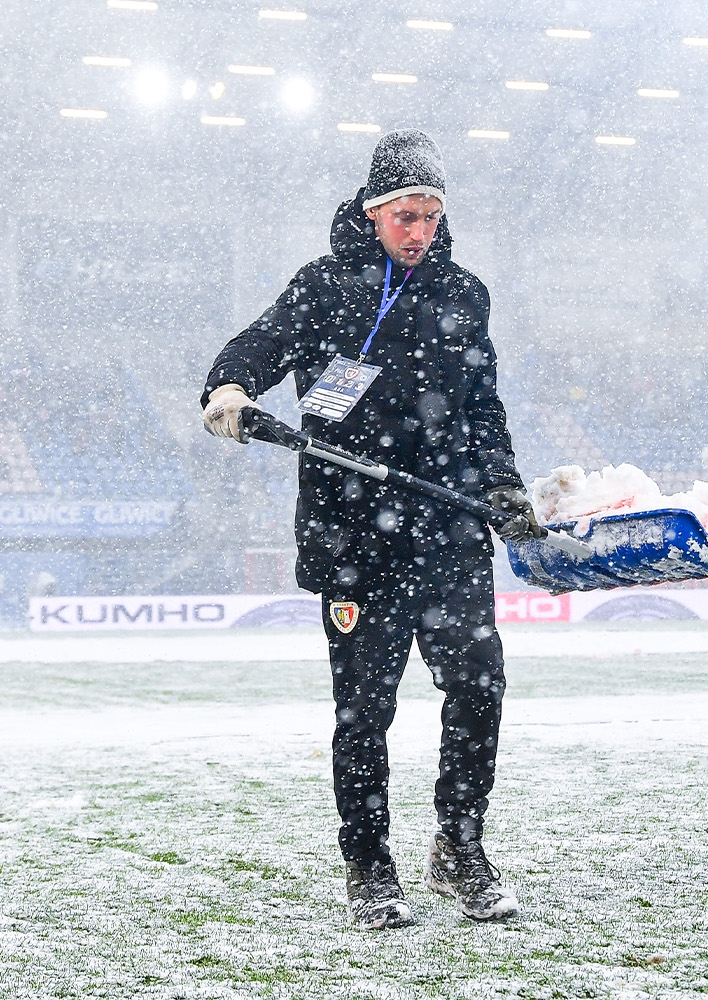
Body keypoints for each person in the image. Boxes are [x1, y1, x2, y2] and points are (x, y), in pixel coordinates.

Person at [200, 129, 542, 929]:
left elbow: (481, 404)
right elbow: (256, 344)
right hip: (355, 537)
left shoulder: (465, 293)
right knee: (365, 709)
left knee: (478, 691)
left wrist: (500, 479)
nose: (419, 231)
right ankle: (370, 867)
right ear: (372, 210)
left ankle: (460, 849)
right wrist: (232, 387)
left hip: (449, 529)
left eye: (430, 215)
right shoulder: (323, 286)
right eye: (404, 215)